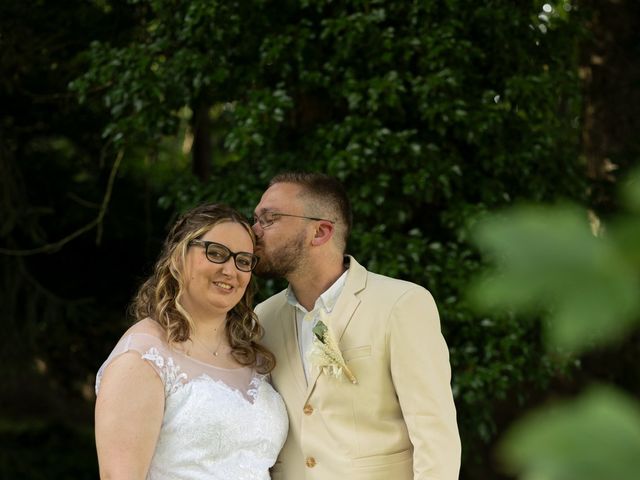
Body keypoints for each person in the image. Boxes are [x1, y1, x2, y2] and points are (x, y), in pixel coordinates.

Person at [252, 172, 461, 480]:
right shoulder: (264, 316)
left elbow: (435, 435)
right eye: (255, 219)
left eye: (269, 220)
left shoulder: (401, 304)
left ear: (320, 232)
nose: (254, 231)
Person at [94, 203, 288, 480]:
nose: (231, 270)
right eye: (217, 253)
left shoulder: (253, 355)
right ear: (179, 256)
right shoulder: (143, 354)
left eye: (243, 260)